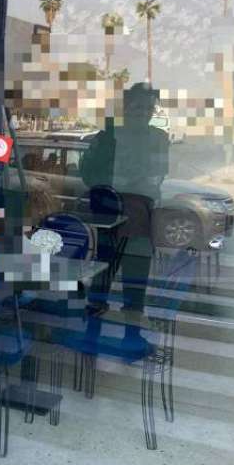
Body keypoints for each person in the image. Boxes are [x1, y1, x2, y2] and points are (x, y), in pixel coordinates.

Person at [81, 82, 169, 315]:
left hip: (140, 215)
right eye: (138, 107)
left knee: (136, 279)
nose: (144, 112)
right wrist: (109, 187)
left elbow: (159, 173)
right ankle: (94, 321)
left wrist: (137, 182)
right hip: (108, 211)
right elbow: (88, 172)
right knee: (102, 274)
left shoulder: (159, 138)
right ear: (125, 108)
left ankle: (132, 320)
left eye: (149, 108)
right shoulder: (107, 136)